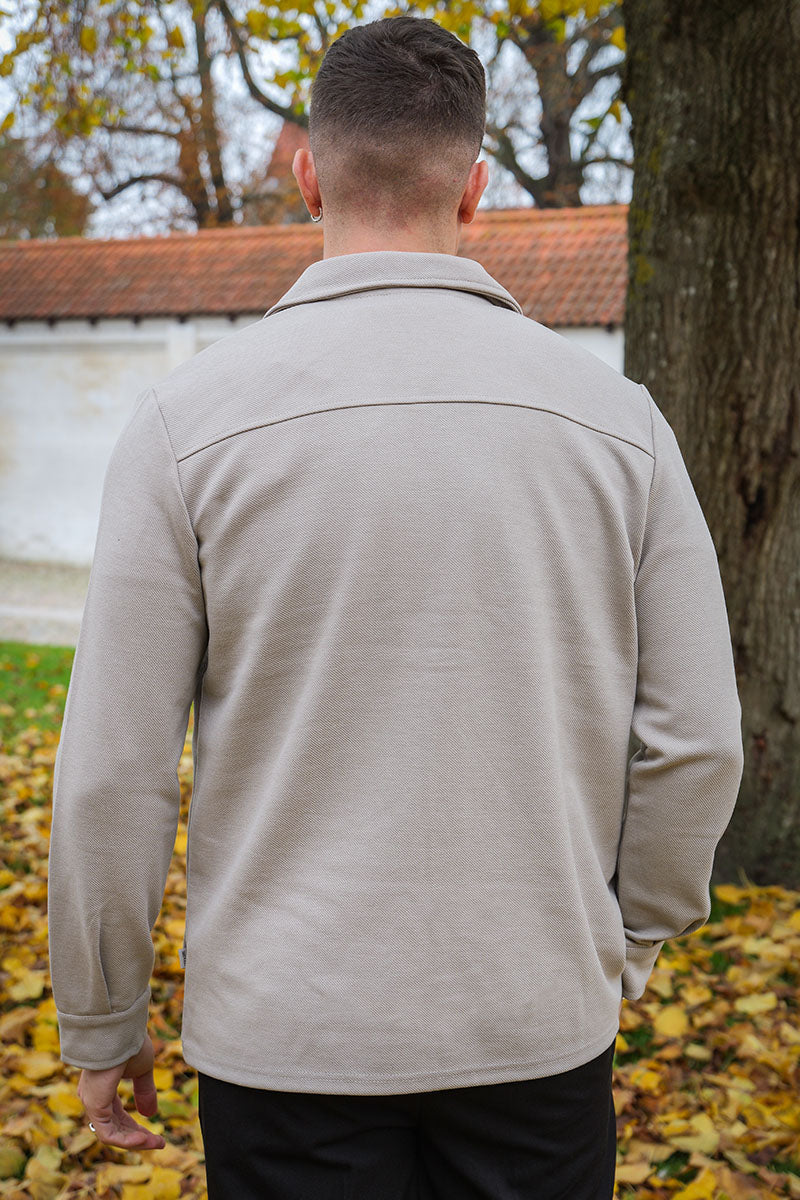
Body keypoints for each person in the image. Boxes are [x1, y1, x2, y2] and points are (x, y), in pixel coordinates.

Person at [47, 14, 744, 1200]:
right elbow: (696, 742)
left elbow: (114, 771)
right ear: (473, 188)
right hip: (533, 1020)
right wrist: (624, 944)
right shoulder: (620, 427)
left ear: (307, 175)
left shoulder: (184, 428)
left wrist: (104, 1017)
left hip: (286, 1035)